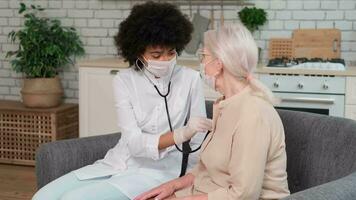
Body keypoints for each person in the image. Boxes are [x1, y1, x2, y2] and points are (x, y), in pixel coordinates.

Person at [32, 2, 211, 200]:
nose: (165, 60)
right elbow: (134, 143)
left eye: (171, 53)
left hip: (158, 173)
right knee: (42, 197)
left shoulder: (190, 79)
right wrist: (181, 134)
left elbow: (197, 141)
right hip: (119, 162)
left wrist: (191, 182)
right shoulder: (125, 80)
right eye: (156, 55)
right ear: (138, 52)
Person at [135, 23, 290, 200]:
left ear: (218, 65)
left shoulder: (253, 114)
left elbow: (243, 194)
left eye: (203, 57)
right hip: (206, 192)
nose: (201, 64)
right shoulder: (224, 104)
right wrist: (172, 186)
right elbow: (205, 170)